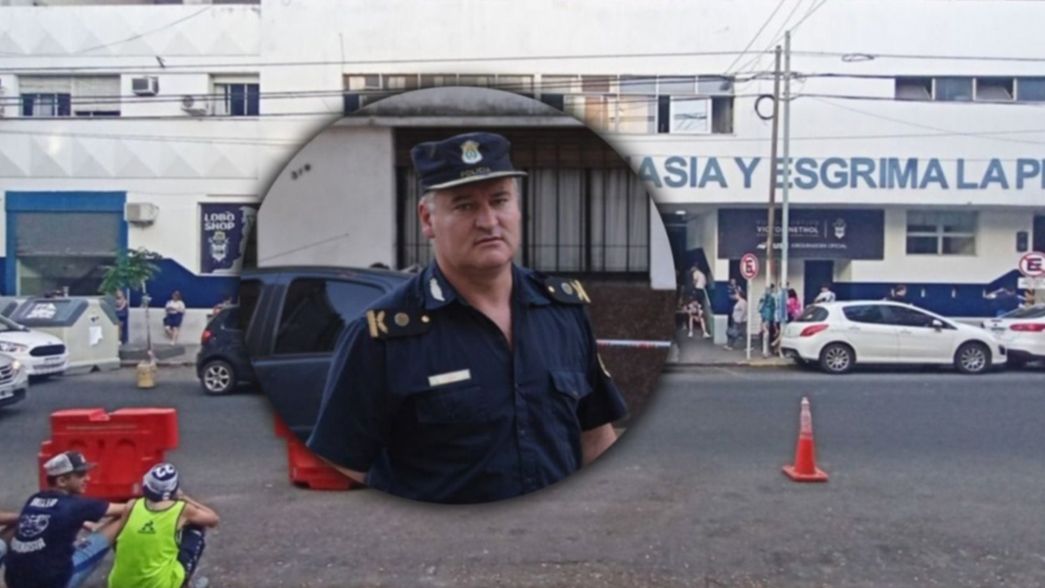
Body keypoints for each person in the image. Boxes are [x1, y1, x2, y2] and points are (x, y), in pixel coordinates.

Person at [307, 132, 628, 504]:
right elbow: (340, 471)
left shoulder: (564, 313)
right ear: (428, 219)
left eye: (499, 200)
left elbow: (596, 438)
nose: (488, 221)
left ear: (517, 208)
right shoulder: (381, 336)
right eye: (464, 206)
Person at [4, 451, 126, 588]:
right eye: (81, 475)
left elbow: (54, 517)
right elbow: (127, 508)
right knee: (120, 519)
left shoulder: (34, 499)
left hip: (14, 581)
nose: (88, 478)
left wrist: (83, 522)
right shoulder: (77, 506)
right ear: (62, 481)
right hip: (53, 584)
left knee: (20, 527)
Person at [107, 463, 219, 588]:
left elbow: (117, 543)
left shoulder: (132, 506)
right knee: (196, 526)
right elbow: (213, 519)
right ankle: (182, 582)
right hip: (159, 585)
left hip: (119, 584)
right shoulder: (182, 510)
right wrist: (183, 497)